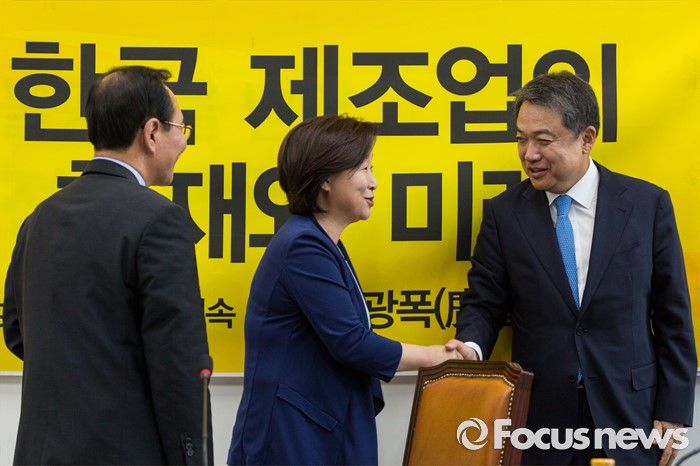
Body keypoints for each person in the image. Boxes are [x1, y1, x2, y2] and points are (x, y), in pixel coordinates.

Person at [455, 71, 696, 466]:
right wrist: (471, 347)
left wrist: (673, 410)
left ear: (586, 138)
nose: (529, 154)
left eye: (543, 140)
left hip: (630, 416)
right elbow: (484, 303)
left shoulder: (646, 205)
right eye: (521, 139)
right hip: (540, 421)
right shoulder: (504, 215)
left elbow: (673, 316)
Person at [3, 65, 213, 465]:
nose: (184, 141)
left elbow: (16, 331)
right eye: (180, 128)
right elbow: (178, 365)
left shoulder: (40, 217)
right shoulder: (160, 219)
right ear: (152, 132)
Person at [227, 114, 463, 465]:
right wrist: (436, 357)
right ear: (325, 179)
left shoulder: (321, 242)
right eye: (364, 169)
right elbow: (352, 342)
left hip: (319, 431)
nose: (374, 183)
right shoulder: (303, 246)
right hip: (292, 439)